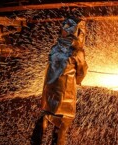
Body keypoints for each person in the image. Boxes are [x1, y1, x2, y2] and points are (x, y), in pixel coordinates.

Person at [31, 16, 88, 145]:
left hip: (49, 91)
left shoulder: (55, 48)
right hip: (64, 95)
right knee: (62, 124)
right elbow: (81, 72)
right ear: (79, 33)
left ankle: (36, 141)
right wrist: (78, 80)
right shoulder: (77, 52)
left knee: (47, 113)